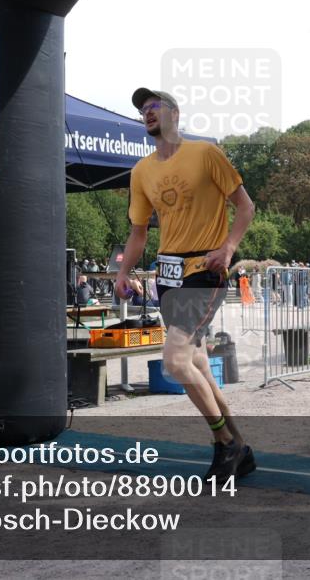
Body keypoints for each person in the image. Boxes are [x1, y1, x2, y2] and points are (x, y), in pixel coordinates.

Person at [117, 87, 256, 483]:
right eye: (143, 110)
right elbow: (139, 232)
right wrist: (124, 273)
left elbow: (246, 207)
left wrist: (228, 248)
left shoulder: (206, 154)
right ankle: (241, 450)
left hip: (205, 269)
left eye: (154, 106)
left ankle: (224, 443)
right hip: (168, 274)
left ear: (175, 113)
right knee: (198, 365)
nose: (147, 112)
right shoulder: (141, 170)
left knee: (175, 361)